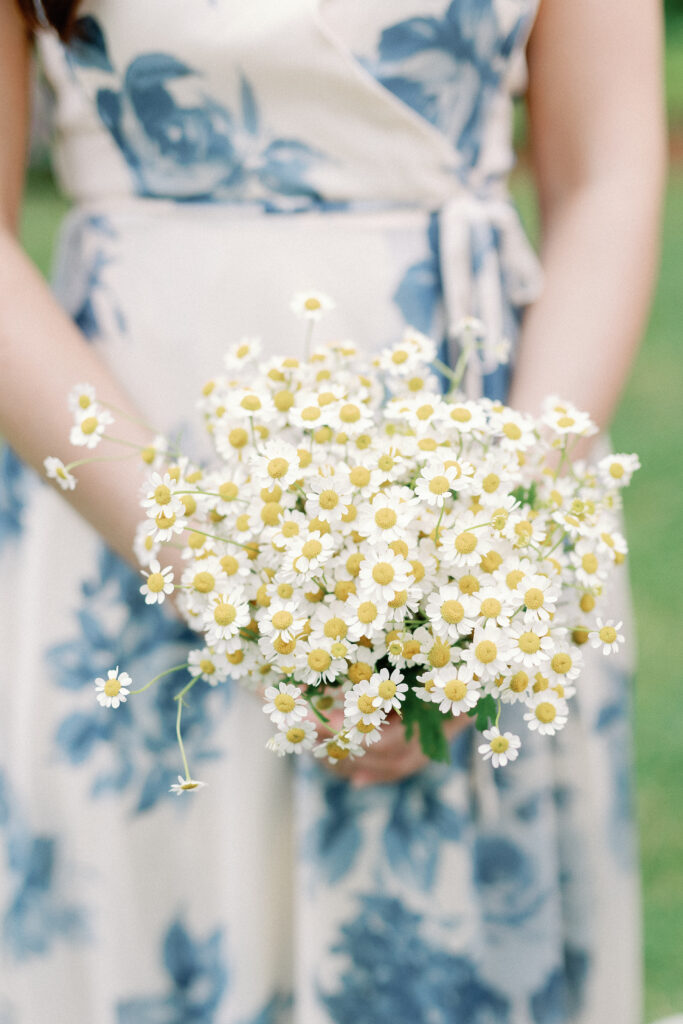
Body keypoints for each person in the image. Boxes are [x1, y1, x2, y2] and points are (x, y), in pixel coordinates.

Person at [0, 1, 666, 1021]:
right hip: (124, 488)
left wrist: (482, 568)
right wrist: (214, 572)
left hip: (477, 477)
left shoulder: (486, 542)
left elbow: (605, 177)